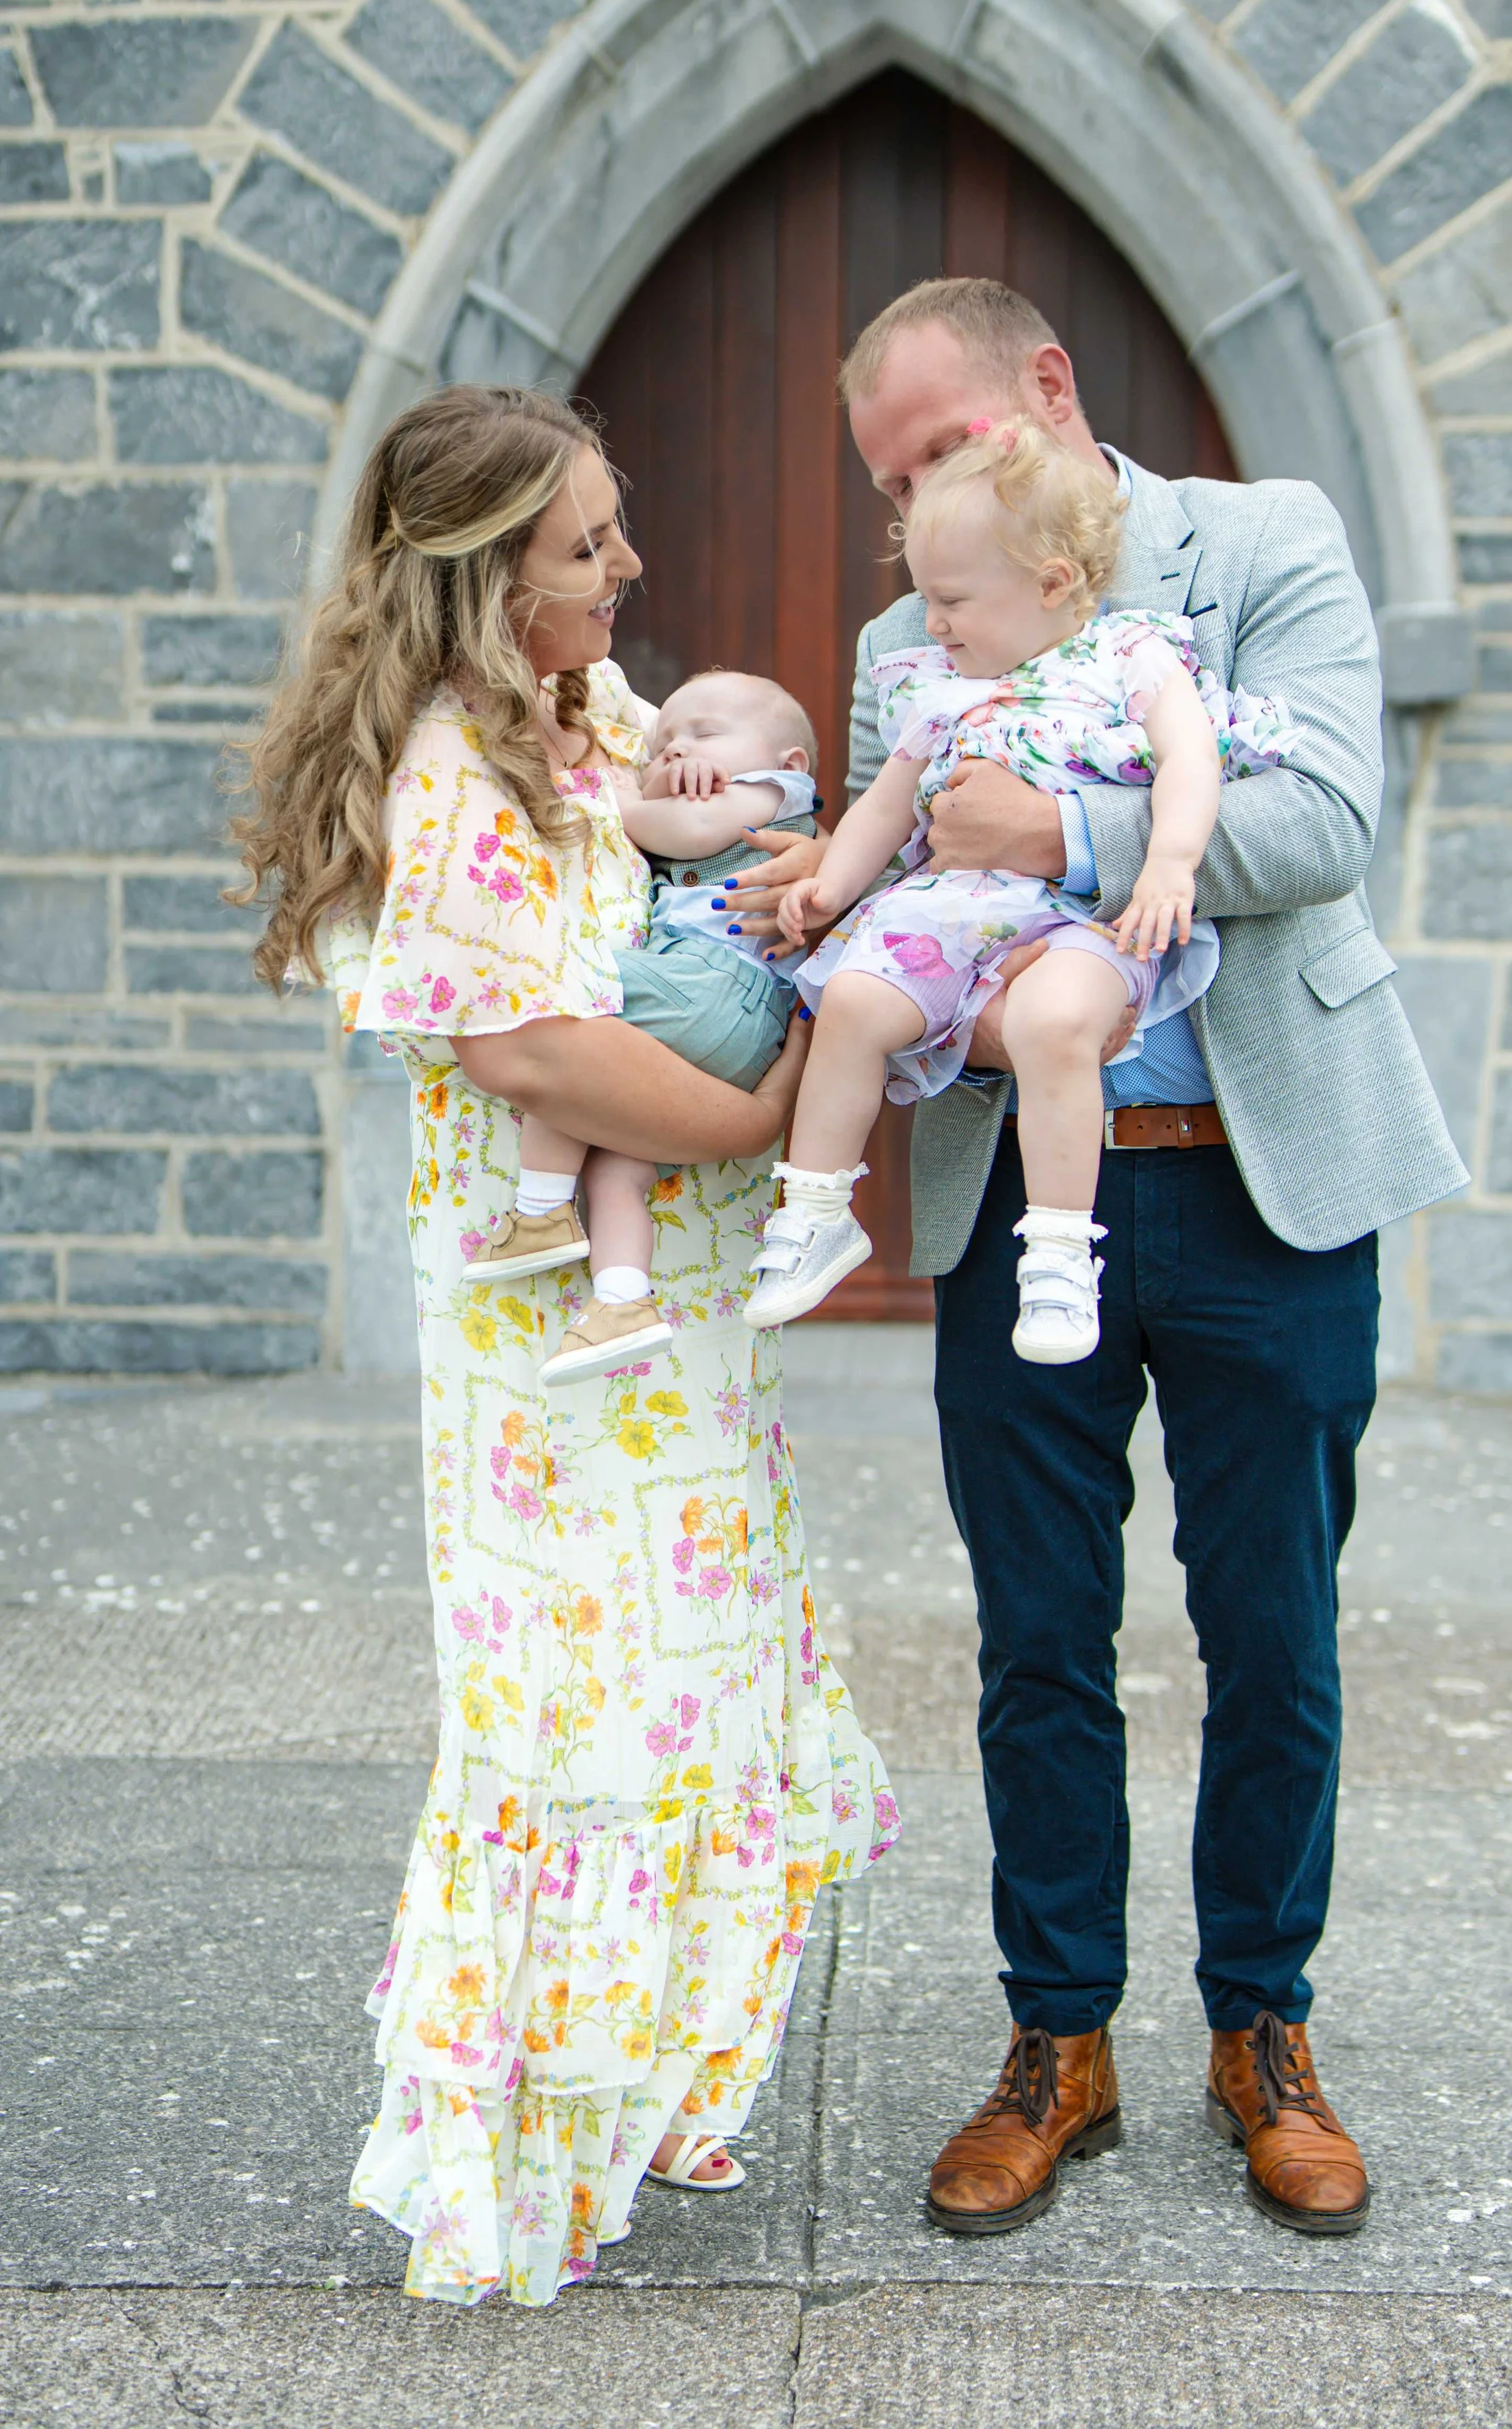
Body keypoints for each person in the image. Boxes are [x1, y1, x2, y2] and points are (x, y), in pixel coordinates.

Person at [230, 381, 897, 2303]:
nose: (629, 567)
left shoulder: (595, 716)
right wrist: (778, 1111)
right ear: (479, 575)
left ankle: (629, 2116)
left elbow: (711, 893)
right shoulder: (445, 765)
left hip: (670, 1328)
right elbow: (526, 1043)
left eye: (611, 531)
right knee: (569, 1724)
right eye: (586, 545)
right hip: (547, 1353)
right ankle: (507, 2168)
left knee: (680, 1700)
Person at [838, 280, 1466, 2239]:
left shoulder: (1263, 543)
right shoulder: (898, 641)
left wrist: (1071, 828)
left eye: (940, 453)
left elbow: (1326, 816)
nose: (920, 513)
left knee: (1272, 1630)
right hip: (1026, 1196)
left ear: (1044, 393)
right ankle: (1058, 2043)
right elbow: (893, 864)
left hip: (1261, 1183)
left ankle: (1260, 2028)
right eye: (889, 481)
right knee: (1037, 1638)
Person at [749, 417, 1288, 1364]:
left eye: (952, 600)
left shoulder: (1131, 658)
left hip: (1081, 917)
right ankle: (819, 1205)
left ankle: (1057, 1256)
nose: (935, 622)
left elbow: (1192, 759)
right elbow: (884, 806)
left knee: (1050, 1027)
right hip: (953, 915)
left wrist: (1168, 861)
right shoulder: (942, 686)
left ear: (1051, 583)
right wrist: (830, 888)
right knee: (853, 1001)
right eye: (926, 599)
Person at [460, 668, 821, 1385]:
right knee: (614, 1154)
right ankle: (623, 1298)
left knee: (565, 995)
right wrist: (660, 777)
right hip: (714, 1021)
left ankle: (539, 1206)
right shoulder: (704, 777)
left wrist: (620, 794)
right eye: (664, 742)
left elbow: (687, 830)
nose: (676, 750)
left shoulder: (774, 795)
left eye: (705, 735)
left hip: (717, 986)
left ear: (791, 763)